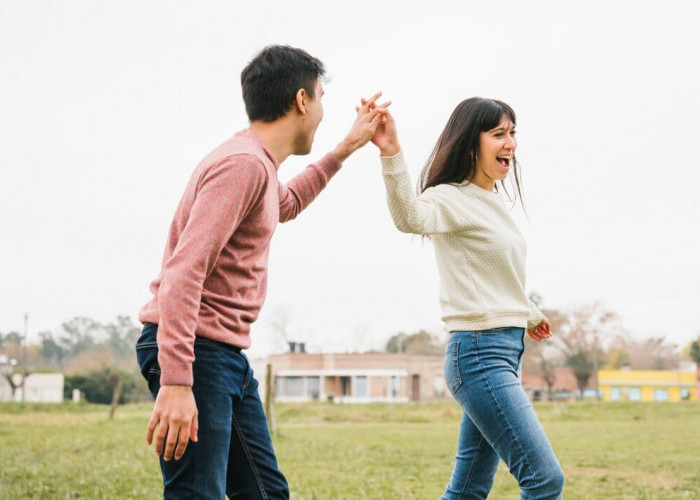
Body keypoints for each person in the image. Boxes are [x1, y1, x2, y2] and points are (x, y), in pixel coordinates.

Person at [135, 45, 388, 499]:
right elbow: (183, 273)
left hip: (224, 353)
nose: (323, 110)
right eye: (322, 98)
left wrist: (347, 147)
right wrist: (176, 381)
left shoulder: (258, 167)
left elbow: (284, 203)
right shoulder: (242, 166)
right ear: (302, 100)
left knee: (266, 493)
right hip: (196, 349)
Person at [368, 97, 565, 499]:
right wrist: (391, 153)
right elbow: (409, 217)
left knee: (468, 489)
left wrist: (527, 312)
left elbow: (490, 272)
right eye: (498, 134)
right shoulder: (449, 197)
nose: (510, 142)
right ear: (471, 143)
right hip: (478, 355)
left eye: (512, 133)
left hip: (503, 353)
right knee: (545, 480)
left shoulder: (492, 202)